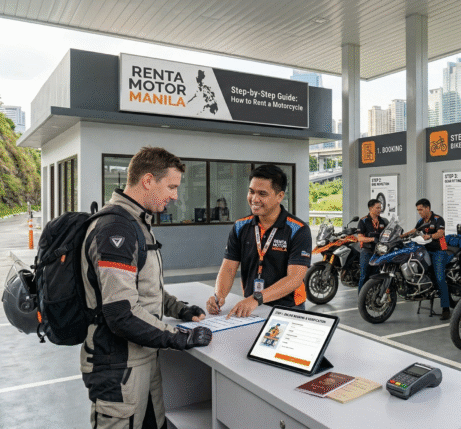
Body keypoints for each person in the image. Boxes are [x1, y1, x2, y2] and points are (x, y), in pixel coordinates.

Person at [80, 147, 212, 428]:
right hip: (118, 367)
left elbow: (142, 287)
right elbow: (121, 313)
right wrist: (181, 338)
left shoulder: (137, 223)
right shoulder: (116, 229)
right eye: (172, 186)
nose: (175, 196)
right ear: (148, 180)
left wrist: (179, 308)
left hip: (142, 359)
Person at [206, 164, 312, 318]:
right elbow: (228, 268)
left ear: (279, 196)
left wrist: (257, 298)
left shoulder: (298, 230)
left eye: (262, 194)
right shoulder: (240, 227)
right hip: (251, 308)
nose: (254, 199)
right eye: (251, 191)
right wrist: (218, 297)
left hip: (288, 310)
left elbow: (294, 279)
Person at [402, 199, 451, 320]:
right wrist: (401, 236)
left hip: (439, 251)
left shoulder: (438, 219)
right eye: (418, 210)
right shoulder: (421, 221)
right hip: (425, 250)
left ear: (427, 208)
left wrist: (430, 236)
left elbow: (440, 233)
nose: (419, 212)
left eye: (421, 209)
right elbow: (414, 230)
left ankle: (446, 308)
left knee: (440, 278)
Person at [357, 199, 389, 291]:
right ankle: (361, 298)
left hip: (379, 253)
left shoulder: (383, 221)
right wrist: (372, 239)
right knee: (364, 276)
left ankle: (372, 297)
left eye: (380, 208)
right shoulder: (363, 221)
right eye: (377, 208)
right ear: (371, 208)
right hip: (367, 251)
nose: (380, 210)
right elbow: (360, 238)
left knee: (375, 276)